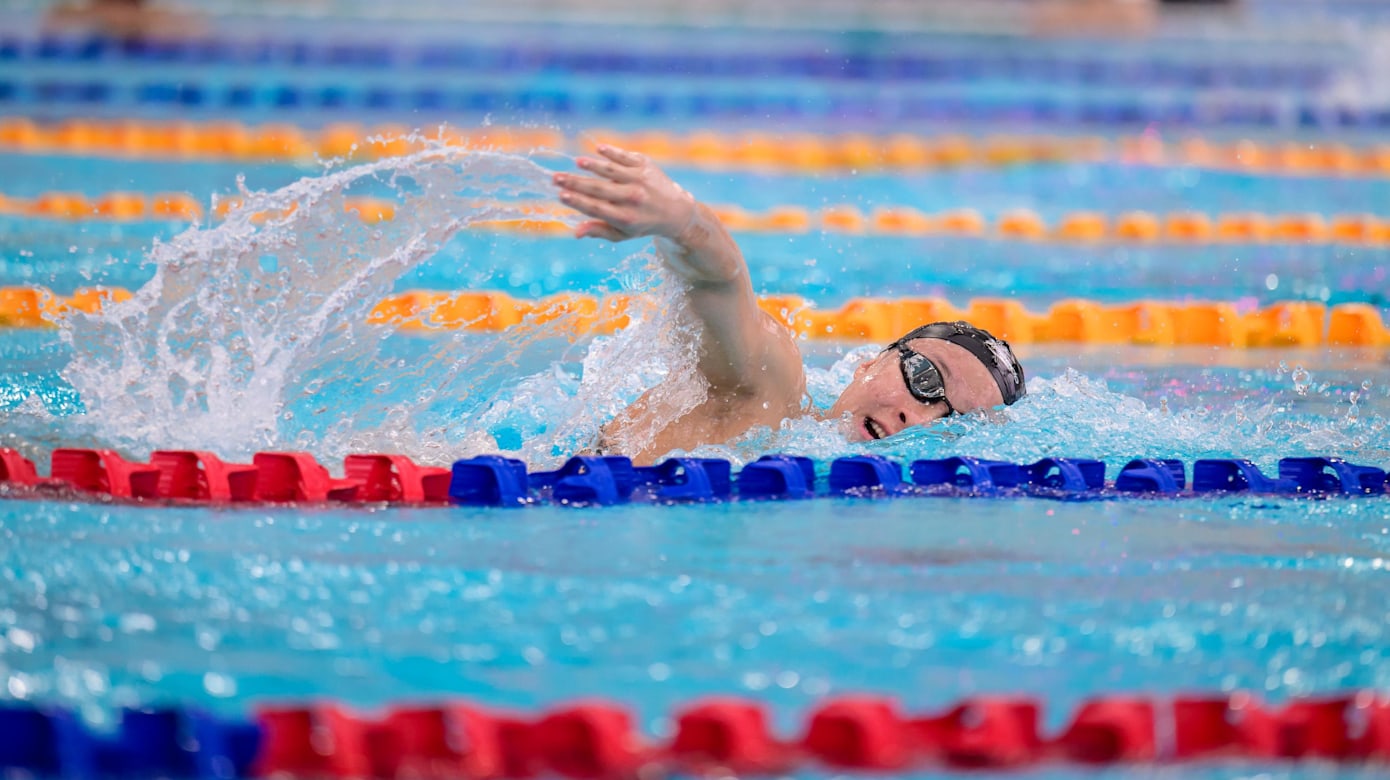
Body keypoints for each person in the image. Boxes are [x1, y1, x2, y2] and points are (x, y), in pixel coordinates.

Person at [553, 145, 1026, 464]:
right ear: (869, 363)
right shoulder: (768, 395)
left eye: (952, 420)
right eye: (925, 378)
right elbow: (720, 287)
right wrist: (683, 223)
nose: (917, 419)